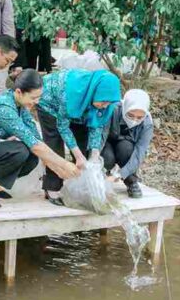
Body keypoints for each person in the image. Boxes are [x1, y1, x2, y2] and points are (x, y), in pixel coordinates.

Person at [0, 70, 79, 208]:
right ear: (19, 92)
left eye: (39, 97)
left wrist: (55, 168)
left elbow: (35, 138)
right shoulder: (3, 108)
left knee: (32, 157)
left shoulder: (20, 106)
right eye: (34, 97)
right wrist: (65, 164)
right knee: (19, 150)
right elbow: (34, 145)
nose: (37, 102)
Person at [37, 69, 121, 205]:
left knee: (83, 144)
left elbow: (97, 126)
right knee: (54, 142)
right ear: (95, 92)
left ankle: (79, 187)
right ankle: (52, 187)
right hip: (50, 104)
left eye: (108, 103)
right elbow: (63, 127)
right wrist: (78, 155)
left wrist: (94, 154)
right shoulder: (70, 92)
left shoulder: (106, 103)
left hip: (81, 108)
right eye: (103, 101)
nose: (105, 106)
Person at [101, 89, 154, 199]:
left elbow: (140, 151)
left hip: (126, 144)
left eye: (139, 117)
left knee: (126, 150)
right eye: (130, 115)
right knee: (107, 158)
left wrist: (119, 175)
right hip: (107, 141)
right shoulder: (112, 109)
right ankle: (99, 179)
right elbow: (100, 137)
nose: (134, 120)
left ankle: (131, 181)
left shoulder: (147, 123)